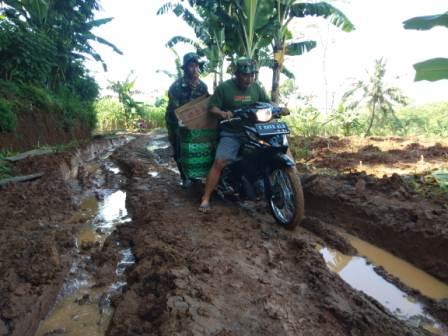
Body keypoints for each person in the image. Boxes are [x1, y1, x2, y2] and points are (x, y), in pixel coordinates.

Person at [198, 57, 271, 212]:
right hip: (231, 132)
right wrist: (223, 113)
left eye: (252, 75)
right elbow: (212, 107)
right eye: (245, 75)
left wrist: (279, 109)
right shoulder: (225, 88)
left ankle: (273, 185)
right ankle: (205, 198)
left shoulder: (257, 88)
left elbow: (267, 103)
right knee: (219, 162)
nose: (248, 79)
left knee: (271, 152)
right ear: (237, 74)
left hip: (253, 130)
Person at [165, 52, 209, 188]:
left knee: (194, 148)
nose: (194, 69)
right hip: (176, 122)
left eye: (196, 66)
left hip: (195, 121)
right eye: (191, 66)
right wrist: (184, 121)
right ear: (185, 68)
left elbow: (205, 104)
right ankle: (185, 178)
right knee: (180, 149)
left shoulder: (203, 86)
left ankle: (194, 174)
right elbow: (175, 108)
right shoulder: (176, 86)